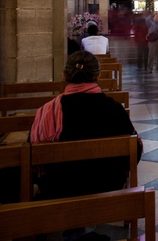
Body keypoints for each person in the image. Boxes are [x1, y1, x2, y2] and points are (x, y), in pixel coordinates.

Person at [30, 51, 141, 200]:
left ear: (64, 75)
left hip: (60, 188)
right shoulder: (114, 109)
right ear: (98, 76)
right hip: (107, 185)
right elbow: (135, 150)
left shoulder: (48, 110)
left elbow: (34, 157)